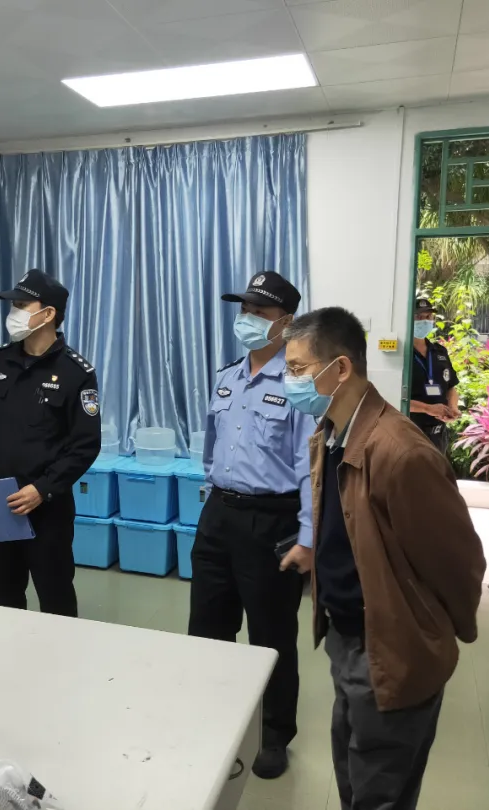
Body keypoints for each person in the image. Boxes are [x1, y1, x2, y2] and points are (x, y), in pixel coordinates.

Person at [282, 307, 485, 810]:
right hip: (349, 639)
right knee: (355, 775)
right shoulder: (330, 434)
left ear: (341, 368)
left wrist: (435, 635)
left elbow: (459, 561)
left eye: (298, 369)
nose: (289, 382)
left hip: (394, 646)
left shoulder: (400, 452)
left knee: (380, 789)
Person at [188, 271, 315, 780]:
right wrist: (214, 493)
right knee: (207, 628)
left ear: (286, 322)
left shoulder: (300, 384)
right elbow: (211, 448)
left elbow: (310, 468)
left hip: (272, 521)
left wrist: (308, 536)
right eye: (244, 310)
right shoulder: (227, 376)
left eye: (260, 312)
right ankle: (211, 718)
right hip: (219, 514)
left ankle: (274, 734)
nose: (248, 319)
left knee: (271, 635)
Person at [0, 269, 101, 617]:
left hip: (47, 509)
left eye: (22, 305)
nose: (14, 313)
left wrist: (43, 489)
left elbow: (85, 445)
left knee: (55, 596)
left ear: (48, 313)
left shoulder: (76, 372)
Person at [408, 297, 459, 453]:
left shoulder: (439, 352)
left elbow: (451, 387)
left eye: (428, 317)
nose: (424, 321)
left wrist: (452, 408)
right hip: (410, 433)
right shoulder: (402, 354)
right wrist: (427, 408)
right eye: (419, 317)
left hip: (438, 435)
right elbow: (395, 397)